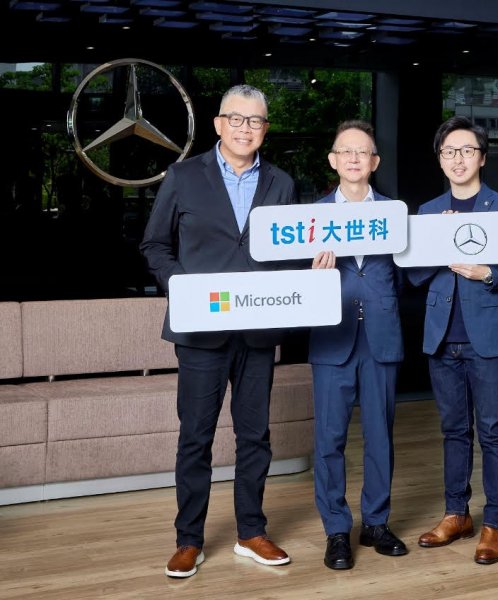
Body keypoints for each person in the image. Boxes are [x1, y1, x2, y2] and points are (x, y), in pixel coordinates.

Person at [140, 84, 296, 578]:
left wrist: (311, 264)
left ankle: (251, 532)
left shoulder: (282, 182)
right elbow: (154, 245)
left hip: (258, 330)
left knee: (255, 436)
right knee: (196, 437)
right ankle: (189, 540)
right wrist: (182, 287)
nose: (246, 129)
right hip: (201, 331)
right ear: (218, 124)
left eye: (256, 121)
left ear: (265, 129)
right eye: (237, 119)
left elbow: (287, 253)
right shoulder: (184, 176)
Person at [408, 116, 498, 565]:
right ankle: (456, 514)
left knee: (494, 430)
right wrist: (438, 244)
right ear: (440, 159)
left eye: (466, 150)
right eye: (449, 152)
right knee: (453, 431)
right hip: (442, 339)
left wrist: (489, 273)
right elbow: (413, 276)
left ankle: (495, 522)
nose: (457, 159)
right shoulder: (427, 212)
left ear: (482, 157)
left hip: (489, 339)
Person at [309, 120, 407, 570]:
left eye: (362, 151)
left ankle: (376, 523)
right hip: (333, 338)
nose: (353, 158)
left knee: (379, 436)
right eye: (345, 151)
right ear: (333, 160)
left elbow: (408, 274)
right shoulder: (308, 218)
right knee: (329, 438)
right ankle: (336, 529)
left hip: (381, 338)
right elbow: (291, 283)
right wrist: (313, 277)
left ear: (374, 162)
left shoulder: (395, 213)